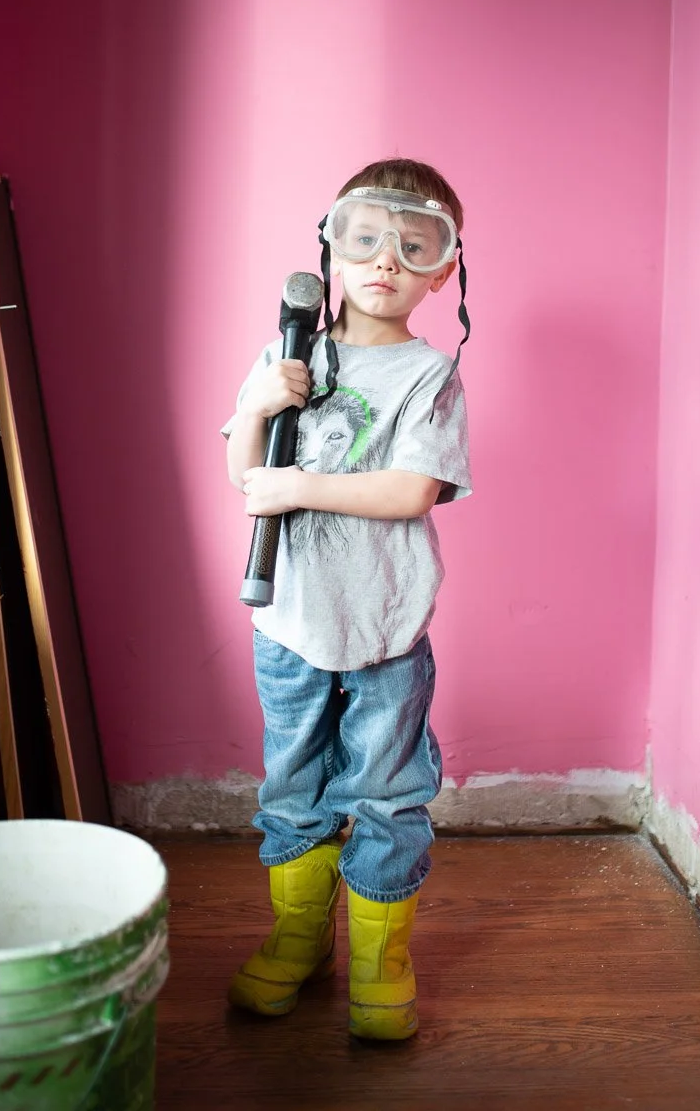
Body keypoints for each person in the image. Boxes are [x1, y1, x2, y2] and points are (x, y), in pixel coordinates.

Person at [221, 158, 472, 1040]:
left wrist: (297, 488)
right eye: (365, 238)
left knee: (382, 791)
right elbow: (244, 480)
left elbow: (410, 492)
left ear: (443, 271)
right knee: (291, 787)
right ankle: (298, 938)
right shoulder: (289, 356)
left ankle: (378, 955)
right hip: (288, 622)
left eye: (414, 246)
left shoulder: (427, 377)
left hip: (384, 629)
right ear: (329, 246)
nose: (385, 261)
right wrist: (256, 406)